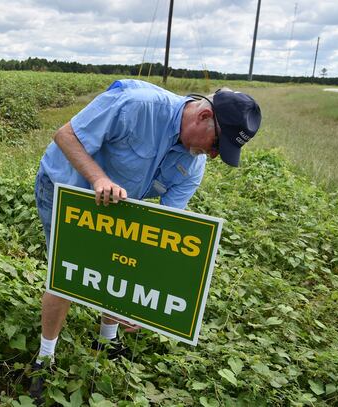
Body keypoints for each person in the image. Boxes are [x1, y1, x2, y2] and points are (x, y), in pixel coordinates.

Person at [29, 79, 261, 401]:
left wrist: (136, 302)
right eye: (216, 145)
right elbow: (65, 135)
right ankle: (45, 358)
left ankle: (107, 338)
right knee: (67, 272)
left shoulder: (193, 166)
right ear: (204, 116)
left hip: (115, 206)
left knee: (120, 267)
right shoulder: (138, 105)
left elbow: (163, 230)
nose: (214, 156)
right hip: (65, 186)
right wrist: (98, 179)